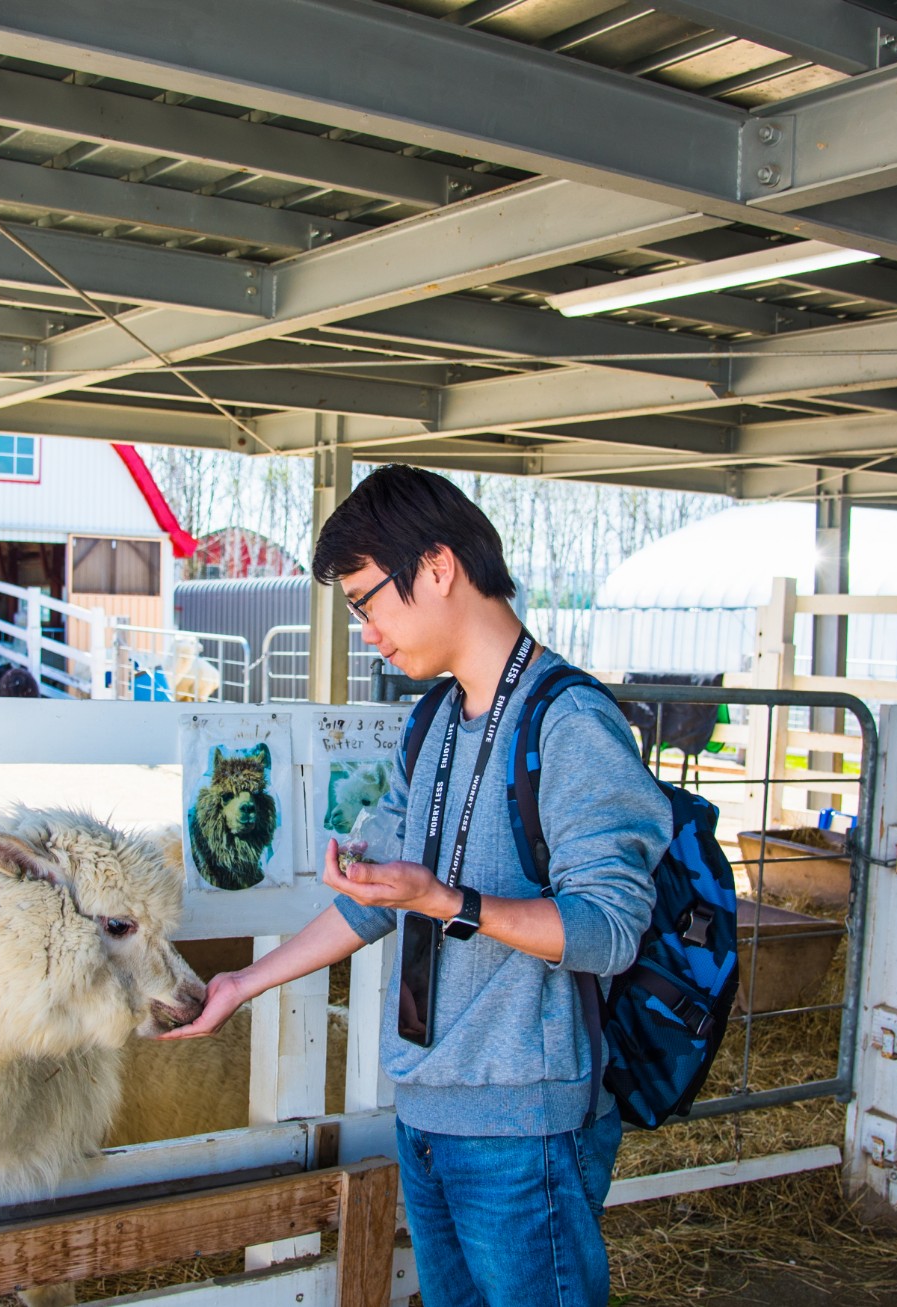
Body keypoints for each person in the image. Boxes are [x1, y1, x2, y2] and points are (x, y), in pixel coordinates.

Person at [163, 465, 669, 1307]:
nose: (367, 632)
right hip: (428, 1109)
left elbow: (610, 928)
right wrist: (241, 983)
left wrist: (447, 901)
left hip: (525, 1126)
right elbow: (376, 901)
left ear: (435, 569)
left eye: (368, 601)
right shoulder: (430, 722)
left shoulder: (570, 722)